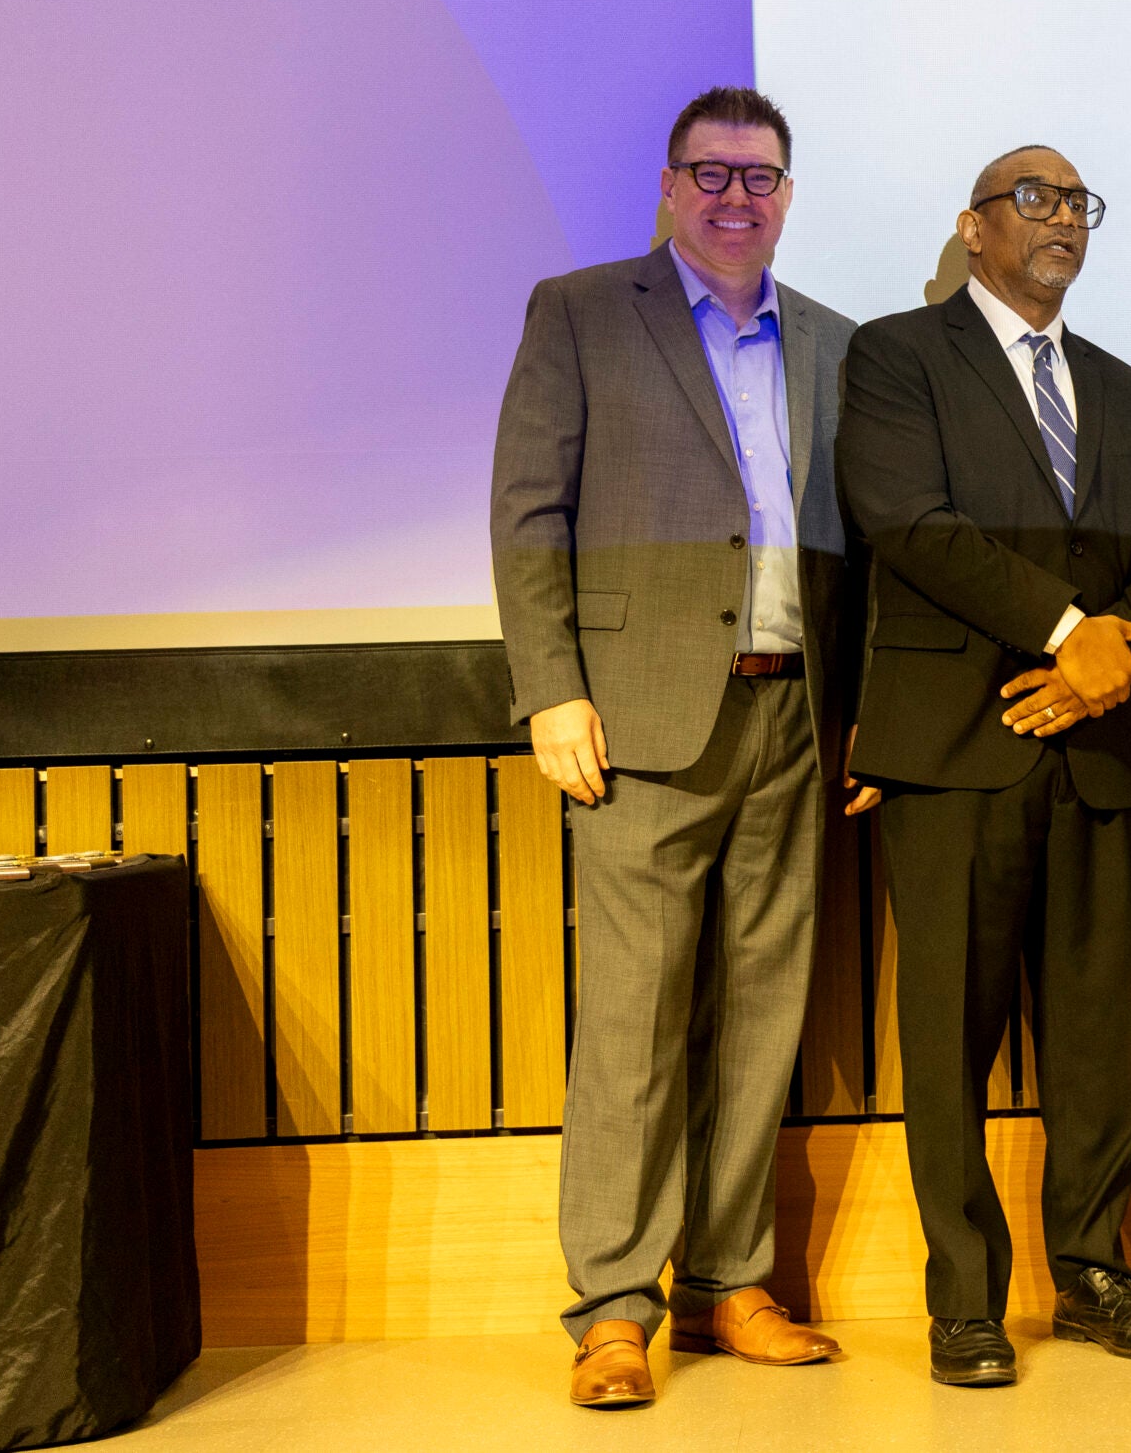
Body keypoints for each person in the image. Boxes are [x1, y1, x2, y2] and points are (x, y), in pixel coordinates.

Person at [491, 86, 872, 1409]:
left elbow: (856, 540)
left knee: (763, 1015)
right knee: (633, 1025)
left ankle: (729, 1282)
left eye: (758, 176)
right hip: (639, 717)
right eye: (709, 173)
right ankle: (611, 1308)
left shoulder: (830, 340)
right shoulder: (583, 313)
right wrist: (552, 689)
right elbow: (529, 514)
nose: (734, 197)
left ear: (786, 196)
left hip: (792, 715)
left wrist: (860, 706)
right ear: (668, 188)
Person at [836, 145, 1131, 1387]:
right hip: (953, 746)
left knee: (1097, 1039)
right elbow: (909, 524)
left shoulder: (1124, 386)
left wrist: (1115, 662)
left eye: (1076, 204)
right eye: (1032, 200)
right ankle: (964, 1303)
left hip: (1098, 745)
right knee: (948, 1041)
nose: (1061, 220)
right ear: (972, 227)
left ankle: (1094, 1276)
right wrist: (1067, 629)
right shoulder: (895, 356)